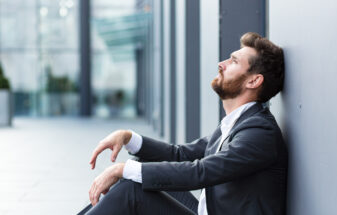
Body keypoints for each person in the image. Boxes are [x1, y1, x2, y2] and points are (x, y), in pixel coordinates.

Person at [80, 32, 287, 215]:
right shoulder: (237, 124)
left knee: (131, 190)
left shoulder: (260, 132)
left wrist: (121, 169)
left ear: (253, 81)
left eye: (233, 61)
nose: (221, 64)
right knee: (137, 175)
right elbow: (179, 154)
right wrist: (127, 137)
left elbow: (200, 171)